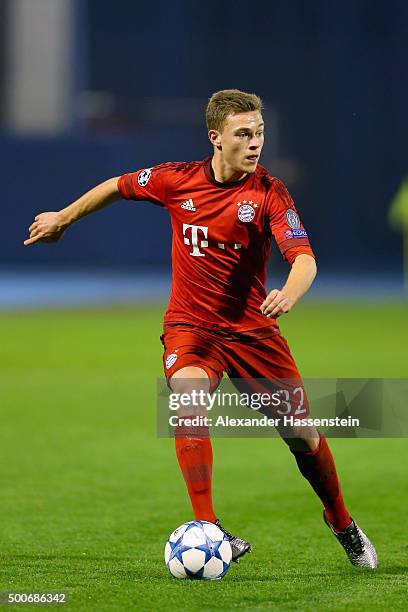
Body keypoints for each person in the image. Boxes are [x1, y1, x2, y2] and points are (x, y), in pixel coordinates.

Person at [24, 89, 377, 569]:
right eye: (244, 134)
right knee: (187, 399)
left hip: (253, 332)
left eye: (260, 134)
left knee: (303, 436)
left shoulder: (270, 193)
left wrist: (289, 294)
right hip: (191, 328)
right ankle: (208, 526)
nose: (255, 144)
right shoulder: (176, 181)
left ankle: (341, 523)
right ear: (216, 138)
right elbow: (116, 184)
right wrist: (64, 218)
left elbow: (304, 259)